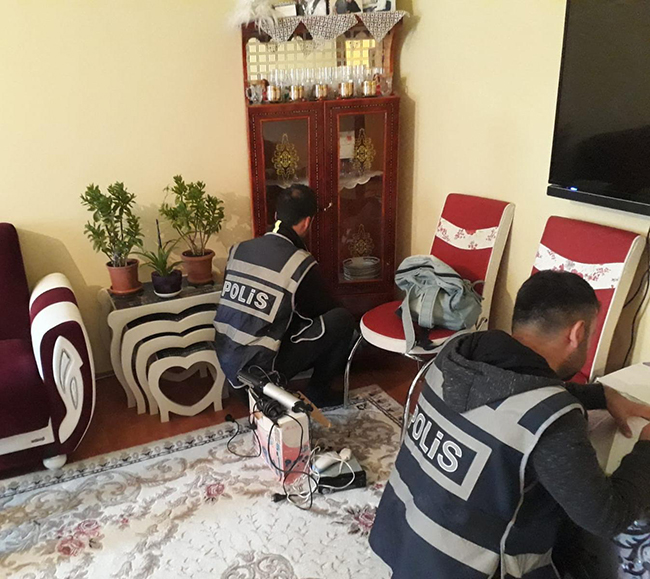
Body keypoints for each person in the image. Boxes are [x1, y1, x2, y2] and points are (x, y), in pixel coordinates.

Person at [369, 270, 650, 579]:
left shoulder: (455, 357)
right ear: (577, 333)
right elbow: (607, 517)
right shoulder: (552, 419)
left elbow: (510, 394)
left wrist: (601, 395)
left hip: (402, 540)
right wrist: (646, 447)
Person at [214, 185, 355, 408]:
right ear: (307, 222)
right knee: (342, 319)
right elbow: (324, 308)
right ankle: (319, 393)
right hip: (261, 379)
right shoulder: (298, 262)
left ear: (276, 215)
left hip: (231, 370)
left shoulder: (238, 249)